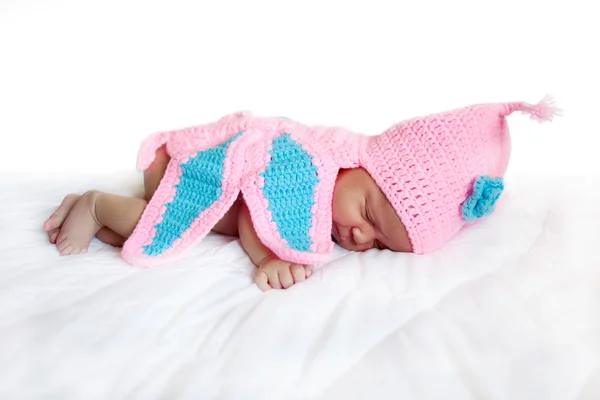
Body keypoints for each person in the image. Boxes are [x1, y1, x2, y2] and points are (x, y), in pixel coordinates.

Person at [43, 97, 559, 291]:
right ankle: (95, 203)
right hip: (195, 166)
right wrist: (271, 255)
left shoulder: (344, 185)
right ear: (359, 165)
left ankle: (86, 215)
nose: (357, 234)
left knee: (153, 233)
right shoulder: (307, 163)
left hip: (215, 177)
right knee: (181, 221)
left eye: (378, 242)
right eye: (368, 212)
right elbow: (254, 214)